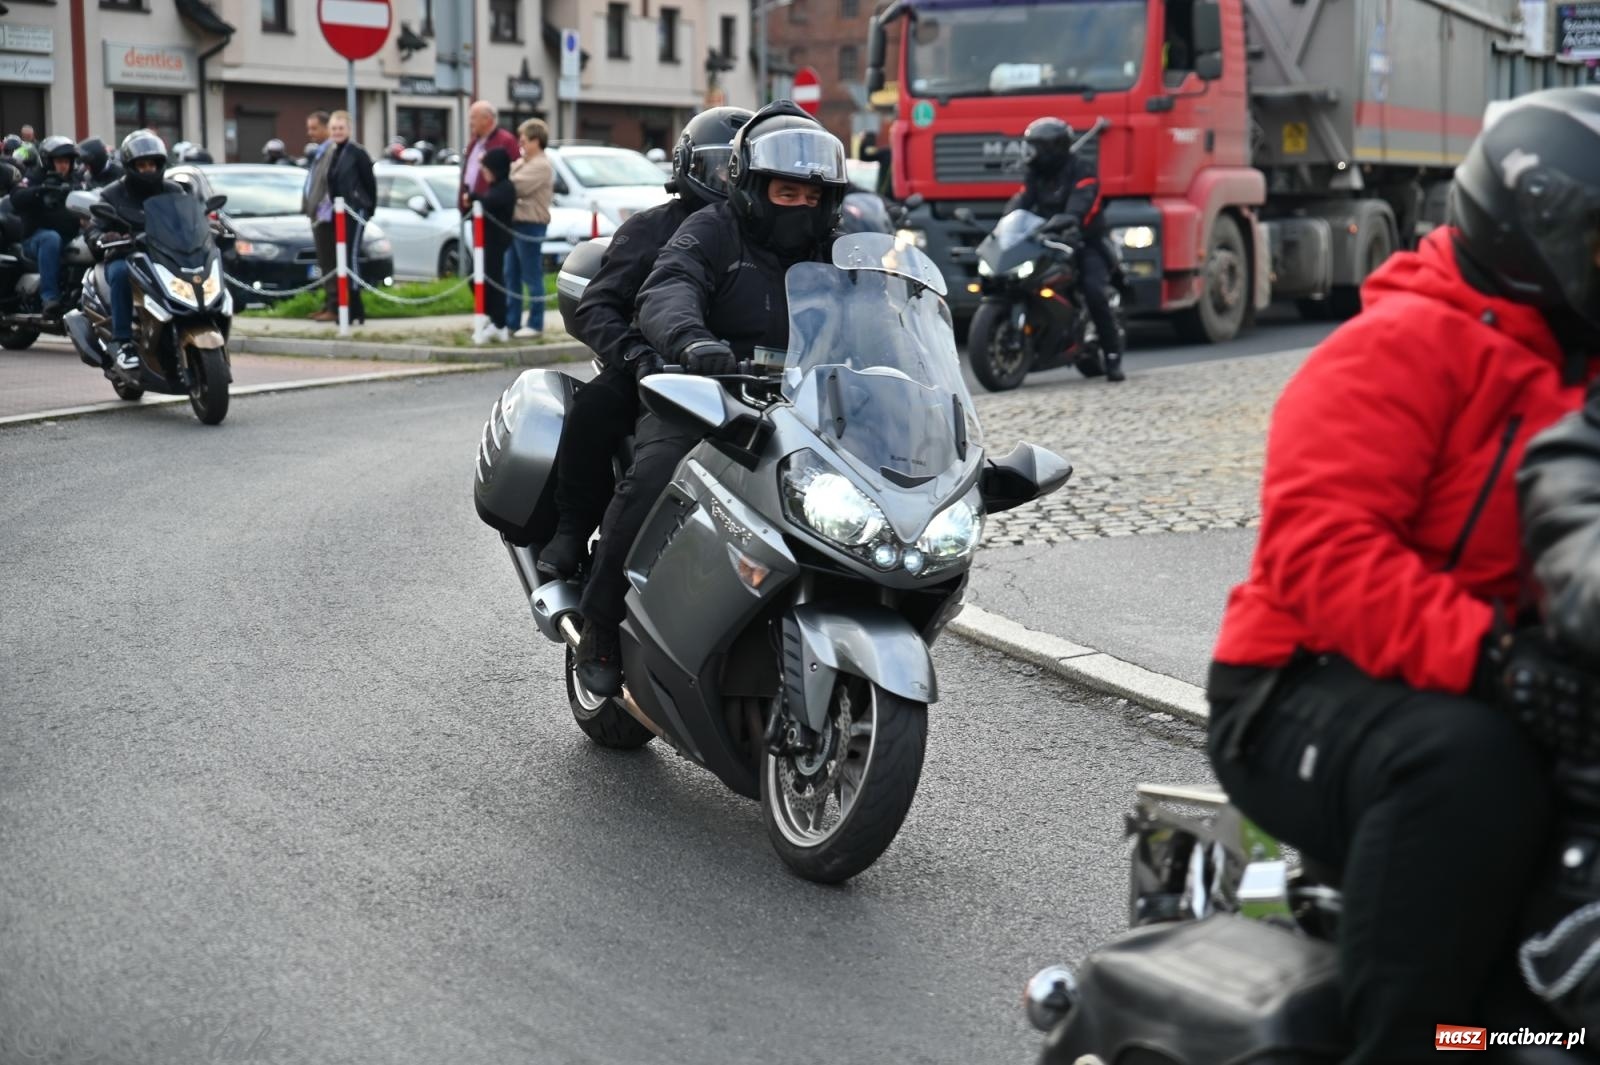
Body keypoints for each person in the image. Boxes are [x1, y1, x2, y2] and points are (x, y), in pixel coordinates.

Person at [1204, 87, 1600, 1065]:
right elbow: (1320, 555)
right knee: (1467, 766)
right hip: (1296, 684)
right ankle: (1410, 1042)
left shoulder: (1574, 366)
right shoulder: (1393, 348)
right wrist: (1494, 661)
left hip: (1501, 670)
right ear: (1530, 230)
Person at [573, 101, 848, 696]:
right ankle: (599, 617)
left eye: (812, 197)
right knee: (656, 477)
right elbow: (668, 286)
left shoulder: (833, 248)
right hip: (710, 393)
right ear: (753, 187)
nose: (801, 206)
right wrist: (693, 342)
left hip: (804, 403)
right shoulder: (711, 228)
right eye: (787, 192)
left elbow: (881, 311)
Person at [538, 105, 752, 578]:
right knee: (594, 408)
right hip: (654, 364)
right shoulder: (651, 228)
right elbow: (597, 306)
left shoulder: (760, 235)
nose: (724, 178)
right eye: (714, 165)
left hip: (740, 370)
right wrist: (636, 356)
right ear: (688, 166)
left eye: (733, 166)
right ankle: (574, 528)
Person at [1005, 116, 1125, 382]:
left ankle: (1113, 354)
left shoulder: (1081, 169)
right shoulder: (1036, 173)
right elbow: (1022, 200)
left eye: (1035, 147)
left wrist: (1071, 218)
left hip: (1085, 241)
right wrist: (1006, 223)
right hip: (1048, 239)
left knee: (1094, 291)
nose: (1029, 153)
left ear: (1052, 148)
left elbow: (1085, 200)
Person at [89, 131, 185, 374]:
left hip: (166, 257)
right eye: (142, 165)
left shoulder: (174, 191)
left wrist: (207, 227)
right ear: (130, 166)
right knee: (121, 273)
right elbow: (94, 228)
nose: (148, 170)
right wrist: (104, 236)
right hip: (126, 256)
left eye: (152, 164)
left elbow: (190, 220)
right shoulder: (112, 194)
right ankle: (122, 343)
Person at [304, 110, 376, 325]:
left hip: (354, 211)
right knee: (340, 260)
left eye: (340, 128)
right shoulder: (334, 152)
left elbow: (369, 183)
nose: (337, 132)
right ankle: (347, 308)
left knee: (350, 258)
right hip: (338, 214)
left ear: (349, 129)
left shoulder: (357, 153)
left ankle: (354, 307)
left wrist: (367, 208)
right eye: (334, 129)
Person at [11, 136, 85, 319]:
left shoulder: (77, 180)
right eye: (59, 161)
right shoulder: (35, 175)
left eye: (67, 161)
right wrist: (41, 190)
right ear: (48, 161)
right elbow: (16, 197)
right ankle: (50, 298)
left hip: (70, 237)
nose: (64, 166)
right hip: (35, 239)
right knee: (51, 238)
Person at [504, 118, 554, 339]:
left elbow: (514, 187)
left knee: (531, 275)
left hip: (531, 226)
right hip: (515, 223)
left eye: (524, 139)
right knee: (510, 274)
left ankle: (535, 323)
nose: (520, 143)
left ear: (536, 140)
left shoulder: (541, 164)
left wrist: (506, 178)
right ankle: (511, 321)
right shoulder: (524, 162)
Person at [472, 147, 516, 345]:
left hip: (497, 243)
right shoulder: (495, 186)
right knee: (479, 281)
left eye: (487, 169)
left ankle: (499, 323)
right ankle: (495, 320)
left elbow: (491, 202)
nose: (484, 173)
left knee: (494, 283)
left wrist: (475, 197)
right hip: (486, 243)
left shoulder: (506, 187)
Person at [457, 101, 518, 213]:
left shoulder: (506, 141)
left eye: (473, 118)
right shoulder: (474, 143)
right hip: (474, 207)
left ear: (487, 119)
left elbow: (514, 174)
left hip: (493, 210)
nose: (470, 123)